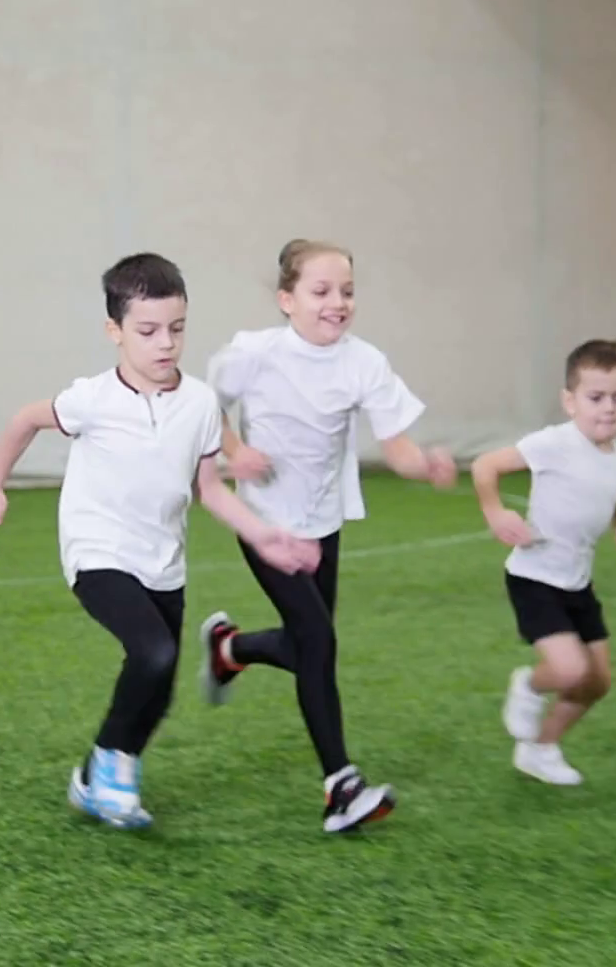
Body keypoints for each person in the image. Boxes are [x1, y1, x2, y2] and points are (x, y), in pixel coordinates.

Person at [0, 252, 321, 831]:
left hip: (164, 563)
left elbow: (209, 488)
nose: (166, 344)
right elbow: (26, 419)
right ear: (115, 332)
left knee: (160, 685)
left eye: (177, 329)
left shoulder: (201, 403)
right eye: (148, 331)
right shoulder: (92, 399)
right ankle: (111, 767)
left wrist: (266, 537)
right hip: (97, 552)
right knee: (152, 654)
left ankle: (96, 776)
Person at [196, 239, 455, 832]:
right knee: (318, 642)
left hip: (324, 527)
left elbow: (397, 444)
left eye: (346, 291)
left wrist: (424, 465)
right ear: (287, 300)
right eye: (320, 291)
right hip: (265, 526)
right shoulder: (254, 354)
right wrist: (237, 452)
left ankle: (229, 650)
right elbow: (206, 407)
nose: (336, 303)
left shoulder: (364, 362)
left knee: (308, 644)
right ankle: (341, 785)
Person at [471, 338, 616, 787]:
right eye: (596, 398)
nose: (609, 409)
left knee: (596, 683)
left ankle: (541, 749)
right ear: (570, 401)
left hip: (578, 585)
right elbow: (484, 466)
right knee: (570, 670)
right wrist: (496, 512)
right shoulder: (554, 443)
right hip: (534, 578)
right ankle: (530, 685)